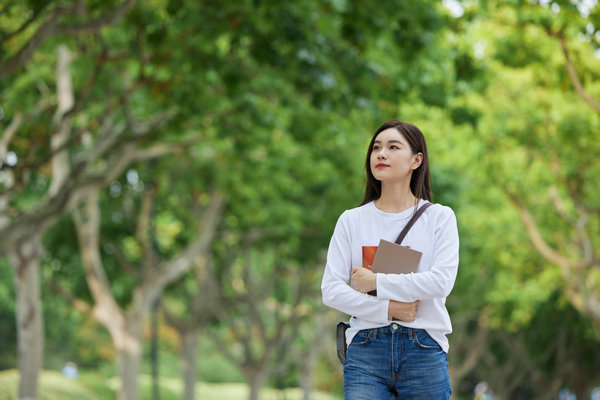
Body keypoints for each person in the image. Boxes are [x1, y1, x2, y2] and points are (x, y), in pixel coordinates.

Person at [321, 120, 459, 399]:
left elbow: (441, 282)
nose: (381, 154)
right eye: (376, 148)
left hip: (424, 348)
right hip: (366, 350)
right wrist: (389, 310)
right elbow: (331, 290)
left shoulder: (439, 217)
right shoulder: (352, 220)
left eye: (393, 147)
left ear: (416, 160)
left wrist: (376, 282)